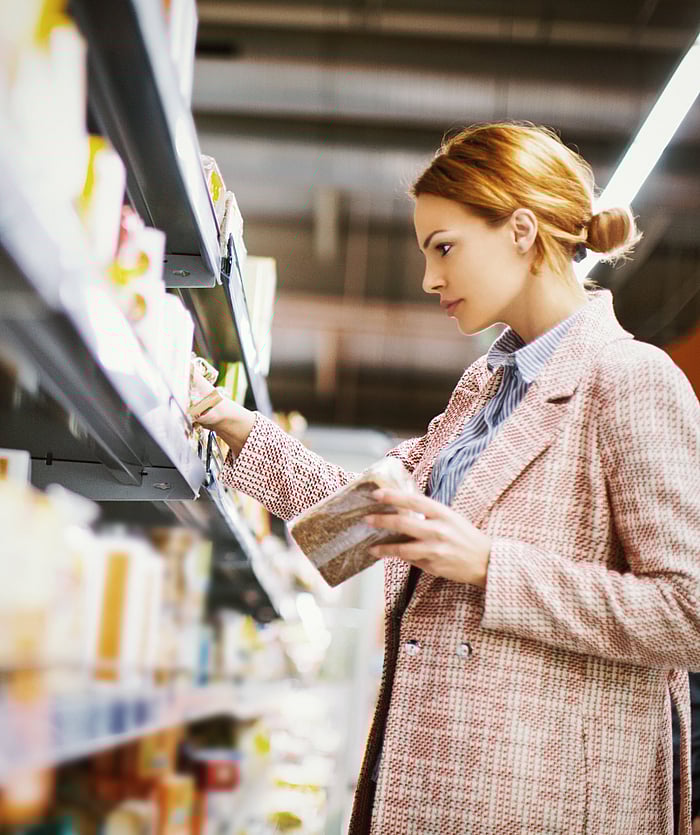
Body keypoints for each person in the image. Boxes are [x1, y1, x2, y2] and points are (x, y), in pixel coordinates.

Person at [191, 122, 700, 835]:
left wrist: (493, 567)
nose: (430, 277)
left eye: (444, 247)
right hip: (429, 787)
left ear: (521, 231)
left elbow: (689, 610)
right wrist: (242, 429)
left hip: (540, 802)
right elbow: (370, 516)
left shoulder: (631, 378)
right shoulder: (484, 390)